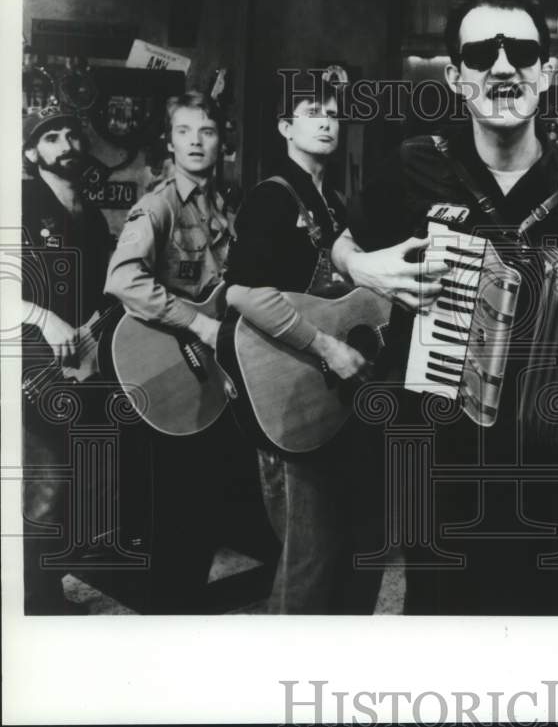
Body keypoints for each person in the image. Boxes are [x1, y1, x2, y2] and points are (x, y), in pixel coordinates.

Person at [332, 0, 558, 614]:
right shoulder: (414, 163)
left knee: (536, 630)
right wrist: (366, 268)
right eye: (480, 55)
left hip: (545, 468)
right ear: (454, 76)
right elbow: (342, 245)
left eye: (521, 52)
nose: (502, 67)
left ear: (546, 74)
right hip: (435, 458)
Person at [223, 81, 384, 614]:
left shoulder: (328, 201)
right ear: (284, 127)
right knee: (307, 563)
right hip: (287, 390)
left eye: (334, 114)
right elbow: (242, 292)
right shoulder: (272, 196)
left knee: (340, 552)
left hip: (323, 399)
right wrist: (326, 347)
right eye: (313, 113)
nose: (328, 122)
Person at [104, 91, 237, 613]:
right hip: (169, 365)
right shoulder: (157, 205)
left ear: (221, 139)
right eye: (185, 132)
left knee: (206, 497)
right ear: (170, 141)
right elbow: (122, 280)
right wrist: (198, 323)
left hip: (211, 369)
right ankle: (169, 616)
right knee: (177, 505)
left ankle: (184, 607)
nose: (197, 141)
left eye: (206, 131)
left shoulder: (226, 205)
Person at [20, 104, 115, 614]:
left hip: (80, 364)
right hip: (27, 360)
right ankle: (35, 601)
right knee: (47, 480)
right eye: (52, 137)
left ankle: (46, 587)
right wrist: (43, 316)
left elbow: (105, 291)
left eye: (71, 135)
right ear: (32, 152)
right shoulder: (17, 201)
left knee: (72, 480)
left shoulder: (92, 215)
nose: (66, 145)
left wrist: (95, 326)